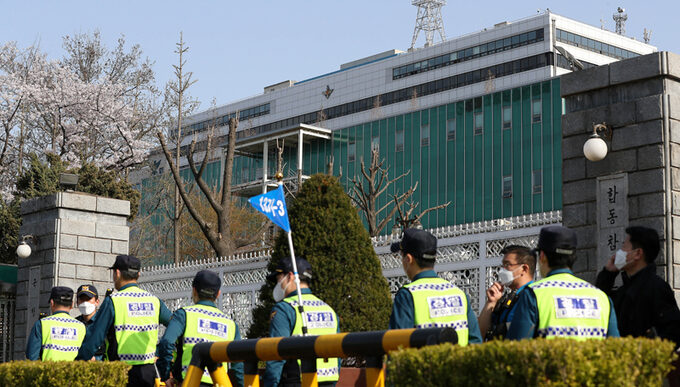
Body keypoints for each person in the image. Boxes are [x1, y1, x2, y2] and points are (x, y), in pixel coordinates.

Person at [506, 225, 619, 340]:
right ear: (574, 257)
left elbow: (517, 346)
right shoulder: (602, 298)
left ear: (542, 256)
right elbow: (616, 349)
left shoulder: (533, 294)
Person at [76, 255, 172, 387]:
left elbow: (95, 338)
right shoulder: (154, 301)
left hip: (121, 372)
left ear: (117, 273)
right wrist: (160, 356)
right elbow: (173, 327)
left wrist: (77, 362)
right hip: (149, 372)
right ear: (138, 274)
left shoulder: (113, 301)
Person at [389, 228, 482, 345]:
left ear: (408, 259)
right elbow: (475, 341)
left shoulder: (407, 295)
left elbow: (398, 345)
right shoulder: (459, 294)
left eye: (401, 256)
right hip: (459, 362)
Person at [262, 257, 340, 387]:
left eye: (279, 279)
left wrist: (271, 384)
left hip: (296, 380)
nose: (278, 284)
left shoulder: (284, 309)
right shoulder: (329, 310)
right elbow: (337, 353)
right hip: (328, 380)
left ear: (290, 276)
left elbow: (276, 355)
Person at [595, 226, 680, 346]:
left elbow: (674, 332)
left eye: (624, 247)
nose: (619, 253)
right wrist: (608, 274)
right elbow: (600, 304)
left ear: (638, 253)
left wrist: (647, 350)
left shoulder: (657, 288)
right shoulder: (625, 289)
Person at [157, 270, 244, 387]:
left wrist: (166, 374)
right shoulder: (230, 324)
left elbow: (166, 343)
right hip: (218, 383)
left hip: (189, 382)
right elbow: (238, 365)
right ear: (218, 294)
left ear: (194, 290)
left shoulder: (184, 315)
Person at [478, 245, 535, 340]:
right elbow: (480, 333)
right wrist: (491, 302)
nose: (501, 270)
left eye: (507, 264)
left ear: (524, 269)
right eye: (502, 265)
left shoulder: (532, 296)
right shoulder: (506, 299)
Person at [26, 286, 85, 361]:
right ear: (72, 305)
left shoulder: (42, 324)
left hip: (48, 371)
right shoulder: (81, 326)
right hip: (73, 372)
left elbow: (31, 356)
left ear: (52, 302)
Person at [75, 284, 105, 360]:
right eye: (82, 299)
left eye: (88, 299)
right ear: (77, 302)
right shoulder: (75, 323)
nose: (85, 303)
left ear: (97, 302)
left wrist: (97, 360)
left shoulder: (104, 321)